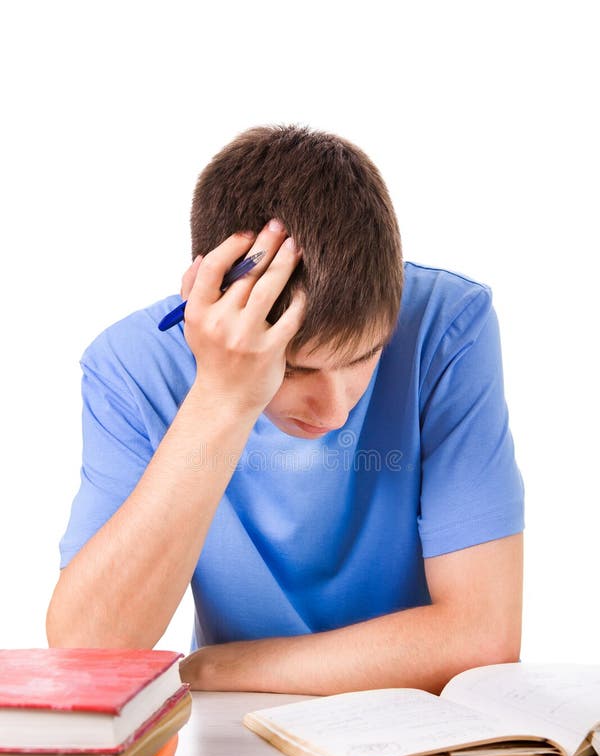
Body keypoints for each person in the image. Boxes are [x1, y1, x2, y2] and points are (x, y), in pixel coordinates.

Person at [46, 124, 524, 695]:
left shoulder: (447, 325)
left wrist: (214, 668)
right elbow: (87, 652)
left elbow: (482, 637)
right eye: (293, 370)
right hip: (237, 729)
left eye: (363, 358)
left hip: (409, 725)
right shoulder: (129, 365)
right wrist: (223, 394)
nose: (335, 411)